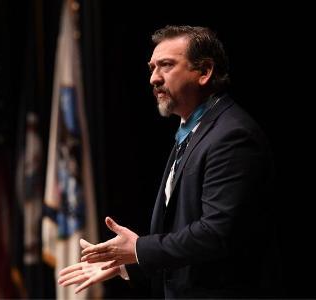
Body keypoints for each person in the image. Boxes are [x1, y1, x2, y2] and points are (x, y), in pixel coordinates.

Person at [57, 25, 282, 298]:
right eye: (152, 68)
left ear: (204, 72)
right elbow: (182, 235)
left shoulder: (233, 136)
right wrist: (129, 262)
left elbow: (215, 233)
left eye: (165, 66)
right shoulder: (192, 130)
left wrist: (139, 250)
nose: (154, 78)